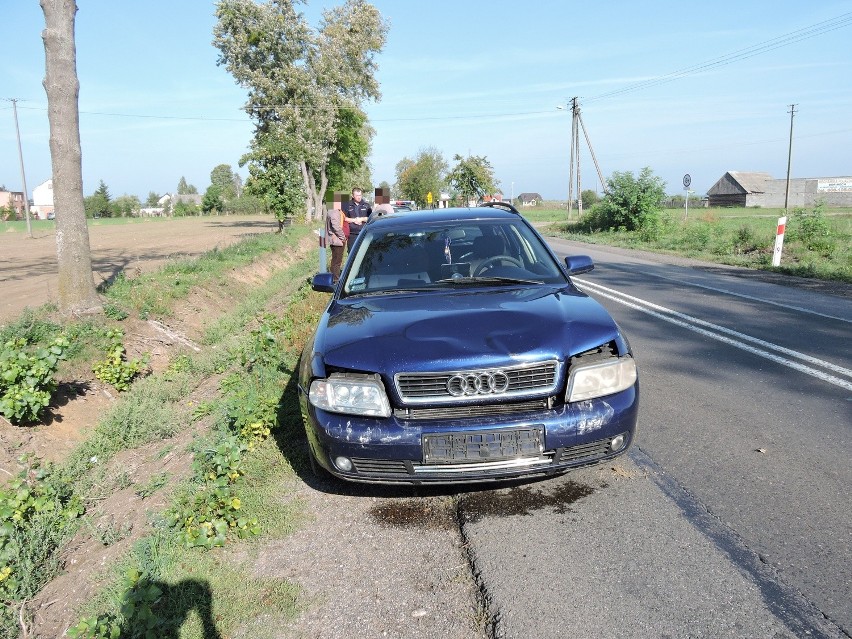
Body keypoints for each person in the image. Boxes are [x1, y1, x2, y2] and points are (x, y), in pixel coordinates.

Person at [325, 192, 348, 282]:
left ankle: (334, 277)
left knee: (335, 260)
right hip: (337, 240)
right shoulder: (334, 212)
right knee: (337, 261)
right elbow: (336, 227)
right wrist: (343, 237)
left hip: (335, 239)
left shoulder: (333, 211)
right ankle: (335, 279)